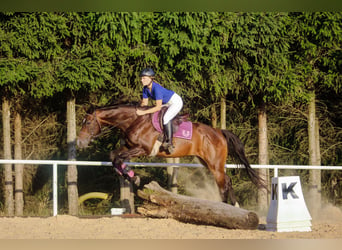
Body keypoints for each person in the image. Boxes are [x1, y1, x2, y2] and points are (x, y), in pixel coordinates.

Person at [136, 68, 183, 154]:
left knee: (166, 118)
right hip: (167, 103)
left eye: (144, 78)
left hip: (175, 102)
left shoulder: (156, 88)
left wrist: (143, 112)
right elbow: (145, 103)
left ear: (151, 78)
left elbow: (157, 107)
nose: (141, 80)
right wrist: (137, 108)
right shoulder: (145, 89)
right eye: (141, 78)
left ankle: (169, 142)